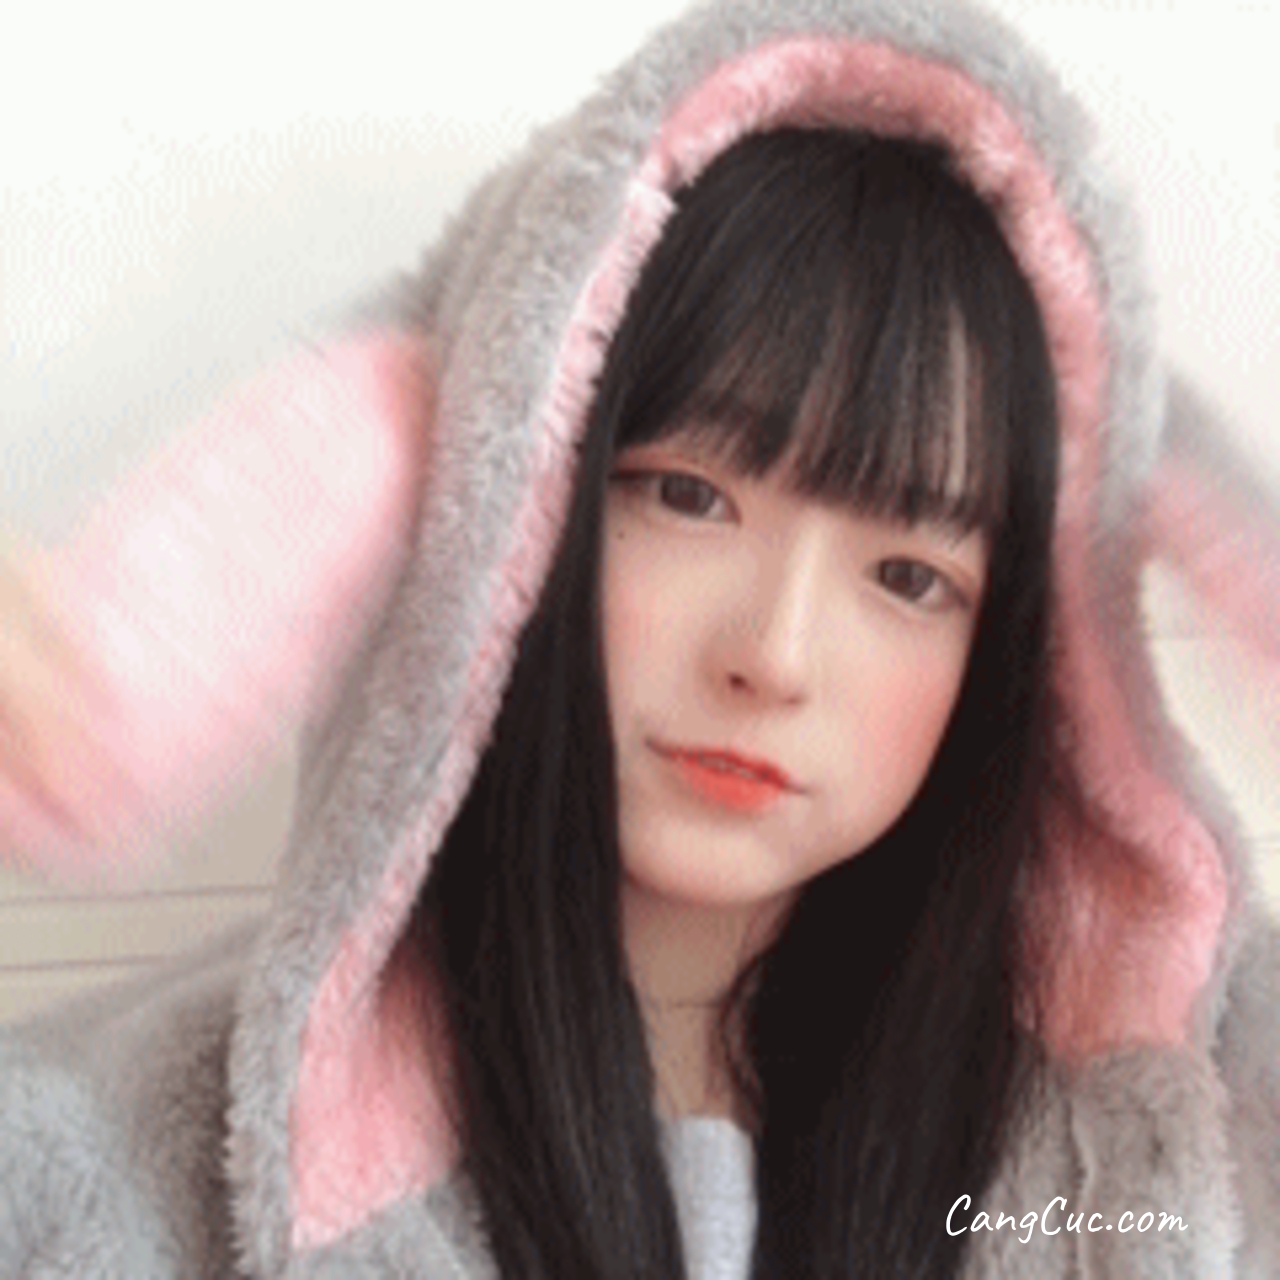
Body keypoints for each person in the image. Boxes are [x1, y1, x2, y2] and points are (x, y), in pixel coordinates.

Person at [1, 0, 1277, 1276]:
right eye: (686, 496)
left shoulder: (1198, 1136)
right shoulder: (97, 1178)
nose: (772, 655)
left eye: (907, 575)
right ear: (509, 500)